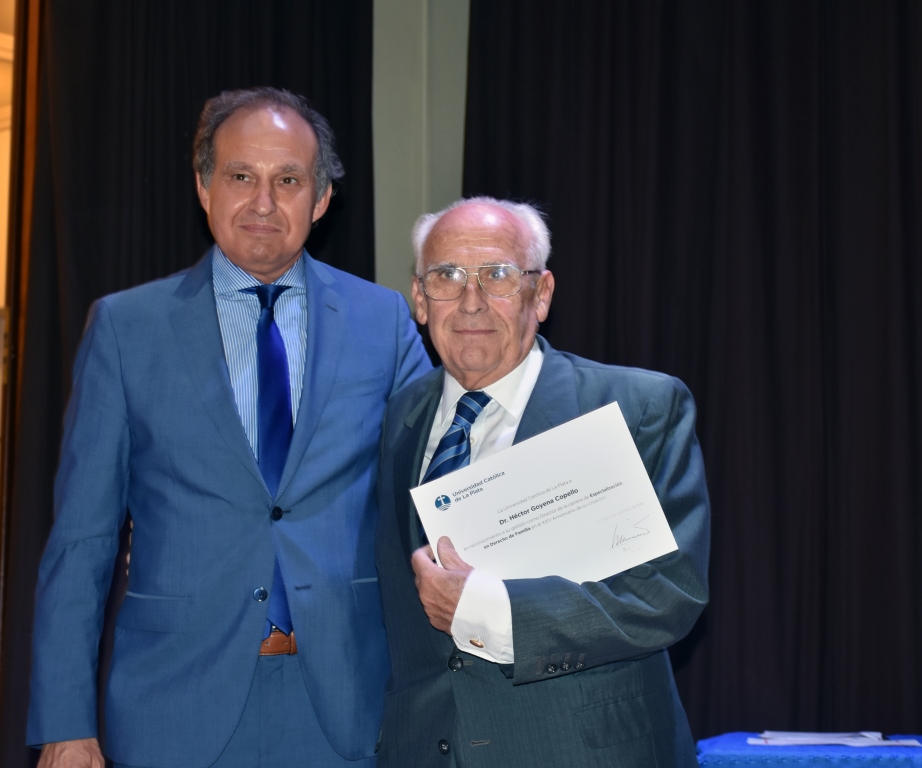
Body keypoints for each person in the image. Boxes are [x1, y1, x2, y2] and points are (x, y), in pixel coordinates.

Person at [27, 87, 431, 768]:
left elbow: (441, 481)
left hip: (349, 707)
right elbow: (82, 541)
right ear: (204, 187)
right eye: (241, 176)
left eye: (289, 180)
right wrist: (67, 723)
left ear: (322, 198)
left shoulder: (385, 322)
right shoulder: (127, 330)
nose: (264, 202)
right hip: (174, 708)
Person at [375, 197, 710, 767]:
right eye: (447, 277)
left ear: (543, 293)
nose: (472, 300)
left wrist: (488, 608)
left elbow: (667, 594)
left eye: (499, 276)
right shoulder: (400, 416)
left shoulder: (638, 409)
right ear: (420, 299)